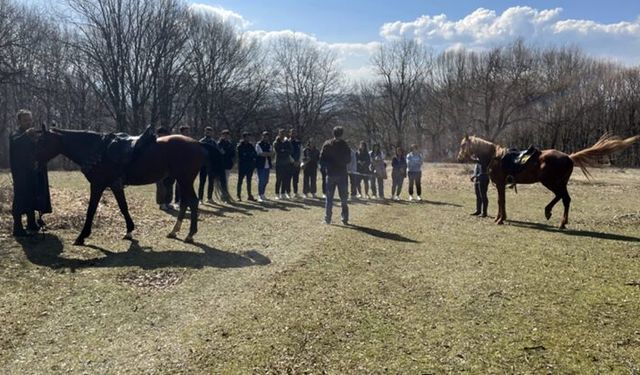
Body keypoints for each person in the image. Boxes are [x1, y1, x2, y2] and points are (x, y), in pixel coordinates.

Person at [10, 109, 52, 236]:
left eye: (29, 120)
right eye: (25, 120)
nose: (28, 123)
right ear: (19, 121)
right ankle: (17, 227)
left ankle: (31, 223)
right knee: (20, 198)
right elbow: (16, 143)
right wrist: (26, 135)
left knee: (32, 196)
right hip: (20, 173)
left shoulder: (32, 135)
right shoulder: (15, 134)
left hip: (32, 171)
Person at [320, 126, 351, 225]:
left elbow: (321, 158)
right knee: (343, 198)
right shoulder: (345, 145)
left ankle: (327, 219)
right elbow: (348, 159)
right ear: (341, 134)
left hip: (330, 174)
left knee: (329, 198)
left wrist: (327, 166)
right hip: (342, 174)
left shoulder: (327, 144)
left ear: (333, 133)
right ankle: (344, 218)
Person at [156, 127, 176, 210]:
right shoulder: (156, 143)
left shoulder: (169, 143)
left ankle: (168, 202)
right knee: (161, 186)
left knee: (169, 185)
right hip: (159, 167)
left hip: (169, 167)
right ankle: (162, 203)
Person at [198, 126, 218, 204]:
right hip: (203, 165)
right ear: (204, 132)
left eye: (210, 131)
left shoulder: (214, 142)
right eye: (207, 131)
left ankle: (209, 198)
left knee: (211, 182)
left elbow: (217, 152)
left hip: (211, 165)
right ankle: (200, 199)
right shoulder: (201, 141)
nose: (208, 133)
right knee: (202, 182)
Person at [273, 128, 293, 199]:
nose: (282, 135)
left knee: (285, 179)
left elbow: (290, 151)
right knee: (278, 179)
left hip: (286, 163)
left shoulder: (287, 142)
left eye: (283, 133)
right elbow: (278, 151)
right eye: (281, 133)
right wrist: (284, 151)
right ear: (279, 134)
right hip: (279, 163)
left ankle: (283, 193)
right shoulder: (276, 142)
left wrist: (283, 150)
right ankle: (277, 194)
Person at [236, 132, 257, 201]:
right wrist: (248, 155)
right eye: (247, 137)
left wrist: (248, 155)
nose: (248, 138)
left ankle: (249, 195)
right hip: (242, 166)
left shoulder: (250, 146)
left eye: (249, 137)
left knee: (249, 181)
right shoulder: (240, 146)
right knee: (240, 181)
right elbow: (241, 156)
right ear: (244, 138)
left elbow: (254, 154)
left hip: (249, 166)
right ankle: (238, 196)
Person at [255, 131, 275, 202]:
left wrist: (266, 153)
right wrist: (267, 153)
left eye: (267, 136)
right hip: (260, 165)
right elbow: (260, 153)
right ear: (262, 136)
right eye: (264, 136)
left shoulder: (269, 144)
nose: (265, 137)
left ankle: (263, 194)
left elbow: (272, 153)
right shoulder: (258, 144)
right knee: (261, 180)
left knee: (266, 181)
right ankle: (260, 195)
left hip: (267, 165)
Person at [175, 125, 191, 205]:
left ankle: (185, 200)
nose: (188, 133)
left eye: (188, 131)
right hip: (179, 165)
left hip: (187, 166)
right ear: (182, 132)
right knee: (178, 184)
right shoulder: (177, 140)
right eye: (186, 131)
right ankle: (177, 200)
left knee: (187, 184)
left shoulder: (189, 141)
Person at [289, 128, 303, 198]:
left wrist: (299, 161)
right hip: (290, 163)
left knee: (296, 179)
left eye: (294, 133)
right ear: (290, 134)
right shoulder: (287, 142)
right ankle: (287, 193)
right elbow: (288, 153)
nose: (293, 134)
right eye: (292, 133)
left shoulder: (298, 142)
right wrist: (293, 161)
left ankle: (295, 192)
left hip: (297, 163)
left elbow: (301, 152)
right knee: (288, 178)